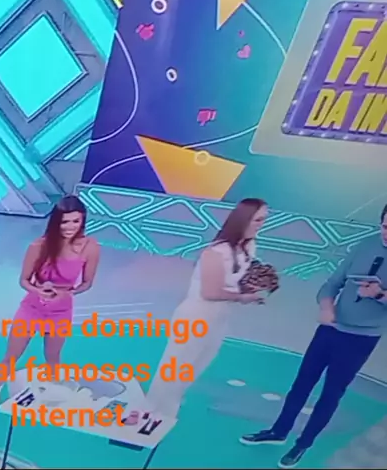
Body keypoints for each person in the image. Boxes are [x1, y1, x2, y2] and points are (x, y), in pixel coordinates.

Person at [240, 203, 387, 469]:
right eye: (385, 227)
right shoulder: (366, 245)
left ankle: (302, 444)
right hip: (331, 327)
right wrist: (326, 306)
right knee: (302, 382)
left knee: (331, 392)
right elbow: (333, 283)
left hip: (361, 338)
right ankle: (278, 431)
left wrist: (378, 295)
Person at [0, 195, 101, 411]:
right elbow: (23, 280)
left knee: (52, 356)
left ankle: (54, 392)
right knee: (11, 355)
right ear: (56, 221)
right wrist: (38, 290)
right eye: (65, 221)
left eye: (75, 221)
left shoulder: (91, 247)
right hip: (31, 309)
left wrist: (67, 293)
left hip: (61, 311)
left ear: (83, 221)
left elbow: (87, 283)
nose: (70, 227)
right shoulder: (39, 246)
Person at [144, 198, 269, 419]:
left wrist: (252, 287)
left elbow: (233, 281)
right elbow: (210, 292)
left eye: (264, 220)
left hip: (220, 315)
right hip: (196, 315)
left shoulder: (248, 247)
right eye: (258, 220)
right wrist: (243, 297)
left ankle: (172, 398)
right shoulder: (216, 252)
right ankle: (152, 406)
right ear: (244, 219)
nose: (262, 224)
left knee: (201, 361)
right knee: (176, 363)